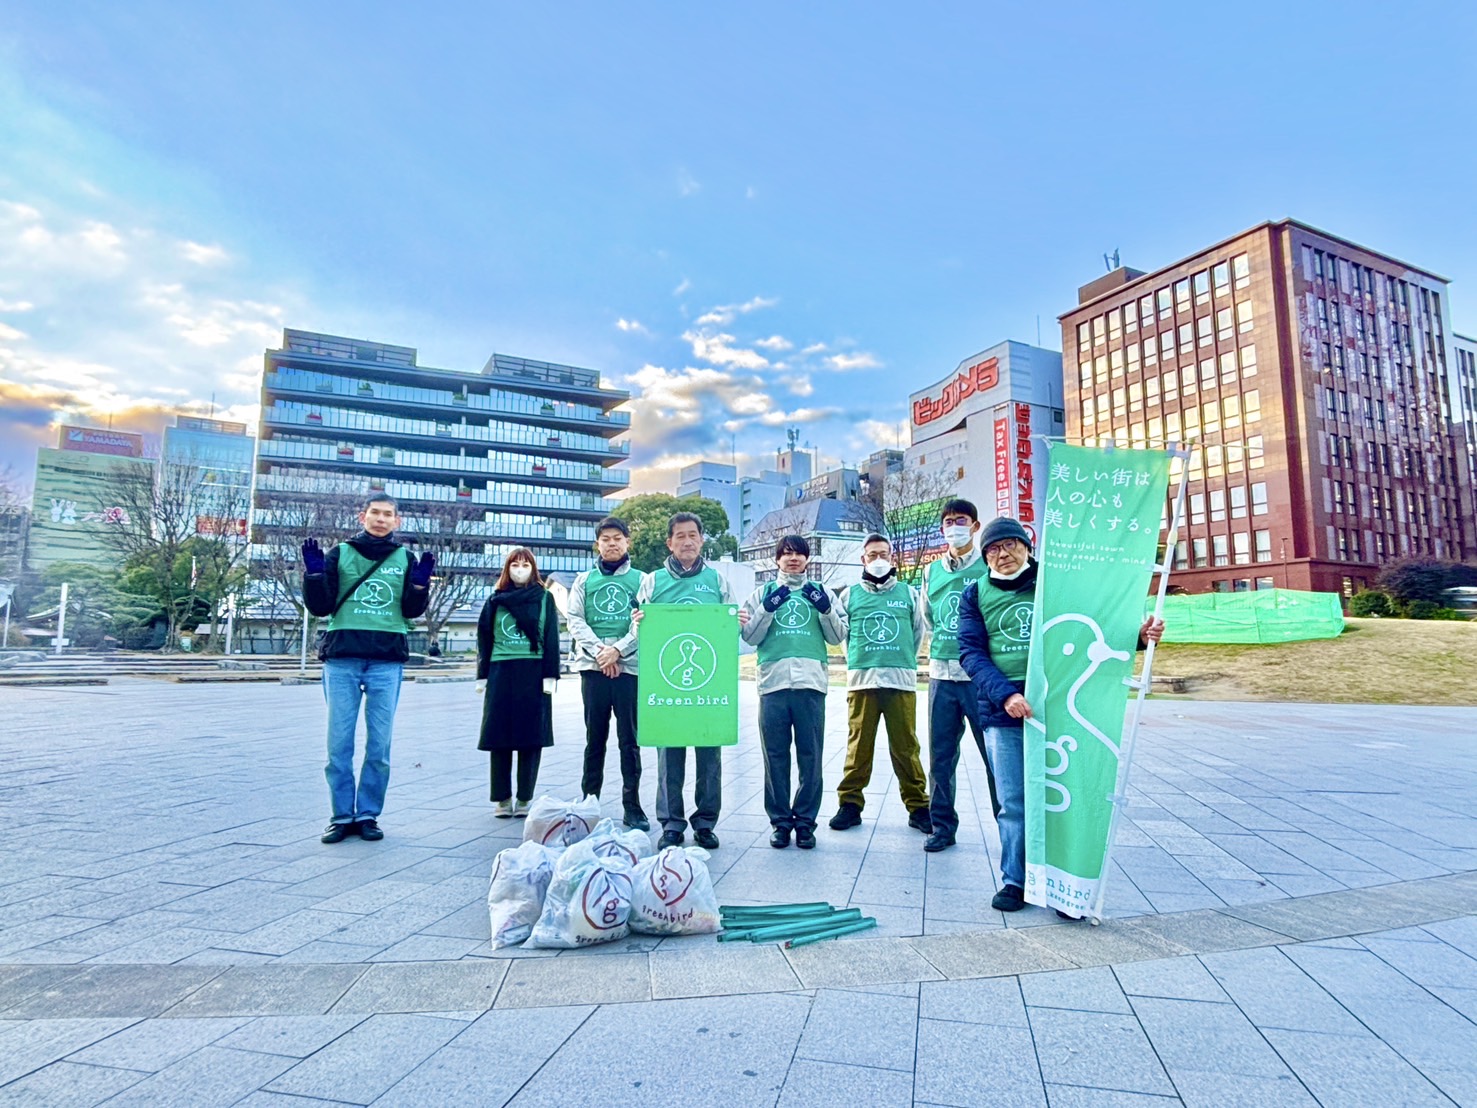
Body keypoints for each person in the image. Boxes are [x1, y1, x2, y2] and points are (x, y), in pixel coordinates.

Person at [958, 517, 1164, 913]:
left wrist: (1138, 637)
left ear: (1027, 546)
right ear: (984, 557)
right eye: (993, 549)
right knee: (1014, 800)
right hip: (1004, 710)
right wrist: (1006, 694)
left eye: (1010, 545)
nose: (1002, 555)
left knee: (1064, 796)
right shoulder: (975, 594)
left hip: (1062, 706)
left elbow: (1094, 627)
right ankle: (1016, 881)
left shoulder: (1057, 583)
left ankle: (1063, 885)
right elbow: (971, 652)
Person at [301, 494, 434, 844]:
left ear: (397, 521)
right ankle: (341, 816)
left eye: (388, 514)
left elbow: (410, 611)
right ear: (363, 516)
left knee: (379, 745)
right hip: (343, 658)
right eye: (375, 512)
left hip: (386, 661)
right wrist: (314, 575)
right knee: (338, 744)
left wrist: (420, 585)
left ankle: (368, 814)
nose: (380, 519)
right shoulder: (340, 553)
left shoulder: (404, 558)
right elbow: (320, 606)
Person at [633, 511, 746, 850]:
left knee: (709, 754)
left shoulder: (717, 582)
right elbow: (637, 627)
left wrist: (737, 621)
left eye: (693, 535)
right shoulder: (653, 581)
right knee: (669, 754)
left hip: (708, 683)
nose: (687, 541)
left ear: (701, 540)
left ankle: (706, 822)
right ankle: (671, 823)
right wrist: (638, 623)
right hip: (667, 683)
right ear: (669, 542)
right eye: (679, 535)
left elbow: (729, 628)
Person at [740, 535, 846, 849]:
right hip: (772, 685)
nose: (793, 559)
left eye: (799, 554)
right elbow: (750, 636)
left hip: (811, 685)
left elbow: (838, 636)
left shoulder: (822, 591)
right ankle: (780, 823)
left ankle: (805, 823)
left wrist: (825, 609)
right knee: (775, 758)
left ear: (807, 559)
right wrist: (767, 610)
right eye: (786, 554)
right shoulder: (763, 592)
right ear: (777, 560)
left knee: (810, 757)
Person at [828, 534, 931, 835]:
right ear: (863, 559)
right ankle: (850, 804)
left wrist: (900, 660)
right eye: (872, 555)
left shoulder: (908, 594)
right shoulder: (848, 595)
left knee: (906, 746)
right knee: (858, 746)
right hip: (862, 681)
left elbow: (916, 634)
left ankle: (918, 806)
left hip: (900, 681)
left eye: (883, 554)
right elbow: (843, 637)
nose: (878, 560)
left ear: (892, 557)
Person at [921, 497, 999, 853]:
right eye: (949, 520)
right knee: (940, 757)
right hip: (941, 673)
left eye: (961, 520)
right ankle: (942, 826)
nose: (955, 525)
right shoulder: (931, 571)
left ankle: (1008, 826)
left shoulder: (989, 566)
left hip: (980, 677)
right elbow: (928, 618)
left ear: (975, 526)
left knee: (995, 755)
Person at [566, 515, 648, 830]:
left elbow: (644, 620)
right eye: (605, 539)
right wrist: (602, 651)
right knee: (594, 738)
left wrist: (619, 650)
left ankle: (633, 806)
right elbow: (575, 619)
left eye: (618, 538)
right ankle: (589, 802)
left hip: (629, 669)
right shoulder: (583, 580)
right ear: (597, 544)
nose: (612, 543)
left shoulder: (642, 580)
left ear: (627, 542)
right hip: (594, 668)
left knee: (630, 740)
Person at [476, 548, 561, 817]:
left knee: (530, 737)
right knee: (498, 736)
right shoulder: (495, 600)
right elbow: (484, 639)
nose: (520, 568)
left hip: (533, 672)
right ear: (507, 568)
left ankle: (525, 797)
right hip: (501, 671)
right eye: (515, 564)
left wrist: (550, 675)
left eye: (526, 564)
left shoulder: (544, 598)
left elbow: (551, 638)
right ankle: (502, 798)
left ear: (533, 568)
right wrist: (482, 675)